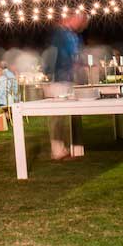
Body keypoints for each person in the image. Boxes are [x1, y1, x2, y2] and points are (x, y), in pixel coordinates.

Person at [44, 13, 88, 159]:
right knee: (57, 117)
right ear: (72, 18)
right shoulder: (59, 34)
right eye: (81, 20)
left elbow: (76, 55)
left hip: (70, 79)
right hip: (58, 80)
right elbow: (55, 56)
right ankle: (57, 151)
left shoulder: (74, 35)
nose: (83, 24)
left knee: (71, 115)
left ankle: (73, 148)